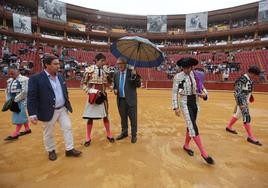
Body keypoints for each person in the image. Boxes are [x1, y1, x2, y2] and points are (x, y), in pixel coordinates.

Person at [27, 54, 81, 161]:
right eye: (55, 64)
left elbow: (64, 91)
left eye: (58, 64)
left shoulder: (60, 76)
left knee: (68, 127)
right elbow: (31, 97)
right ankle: (51, 150)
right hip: (47, 110)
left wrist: (66, 103)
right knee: (49, 132)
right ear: (47, 65)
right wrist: (32, 113)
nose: (58, 66)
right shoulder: (35, 78)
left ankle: (69, 149)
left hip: (62, 109)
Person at [172, 57, 214, 165]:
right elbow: (174, 93)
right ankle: (203, 153)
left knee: (191, 125)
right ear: (182, 67)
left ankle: (186, 145)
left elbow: (201, 87)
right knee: (193, 126)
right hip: (185, 102)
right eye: (184, 68)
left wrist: (205, 94)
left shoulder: (195, 75)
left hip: (195, 102)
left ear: (191, 67)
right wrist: (176, 107)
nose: (186, 70)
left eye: (188, 68)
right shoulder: (178, 77)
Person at [81, 53, 115, 147]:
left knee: (105, 115)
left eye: (104, 61)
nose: (103, 63)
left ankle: (109, 134)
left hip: (103, 95)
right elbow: (83, 84)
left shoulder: (105, 70)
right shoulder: (89, 70)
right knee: (90, 117)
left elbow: (109, 82)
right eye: (102, 61)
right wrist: (89, 91)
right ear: (96, 60)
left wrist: (111, 86)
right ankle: (88, 137)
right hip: (93, 95)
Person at [225, 66, 262, 146]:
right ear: (251, 73)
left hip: (245, 100)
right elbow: (236, 92)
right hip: (242, 101)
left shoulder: (249, 79)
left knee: (238, 115)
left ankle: (229, 126)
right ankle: (250, 136)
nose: (256, 77)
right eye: (255, 75)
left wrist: (250, 96)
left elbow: (248, 90)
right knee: (247, 117)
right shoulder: (242, 79)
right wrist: (240, 103)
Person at [113, 57, 141, 143]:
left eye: (121, 63)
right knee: (123, 118)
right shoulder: (116, 74)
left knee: (133, 118)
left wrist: (135, 75)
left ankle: (134, 135)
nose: (119, 65)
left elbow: (138, 85)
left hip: (131, 100)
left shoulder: (131, 72)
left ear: (125, 64)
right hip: (121, 100)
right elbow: (115, 86)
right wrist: (115, 89)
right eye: (118, 64)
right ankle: (124, 132)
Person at [4, 65, 31, 141]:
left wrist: (14, 100)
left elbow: (25, 92)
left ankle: (16, 132)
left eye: (12, 73)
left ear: (18, 71)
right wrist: (8, 100)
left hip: (22, 100)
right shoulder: (10, 80)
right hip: (13, 100)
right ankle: (27, 129)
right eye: (10, 74)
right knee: (20, 114)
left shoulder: (24, 79)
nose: (11, 75)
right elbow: (7, 91)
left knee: (19, 115)